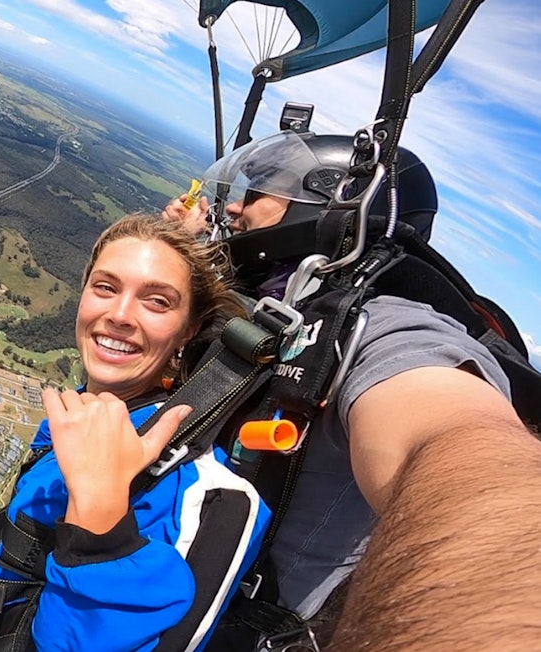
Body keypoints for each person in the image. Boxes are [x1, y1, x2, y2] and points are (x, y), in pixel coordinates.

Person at [162, 130, 541, 650]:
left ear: (324, 207)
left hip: (227, 627)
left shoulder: (385, 331)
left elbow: (461, 451)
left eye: (256, 195)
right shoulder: (293, 294)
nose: (232, 208)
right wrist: (185, 245)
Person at [0, 215, 272, 652]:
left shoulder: (192, 492)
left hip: (9, 633)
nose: (119, 315)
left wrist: (100, 526)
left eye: (157, 301)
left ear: (187, 331)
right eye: (106, 287)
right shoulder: (90, 411)